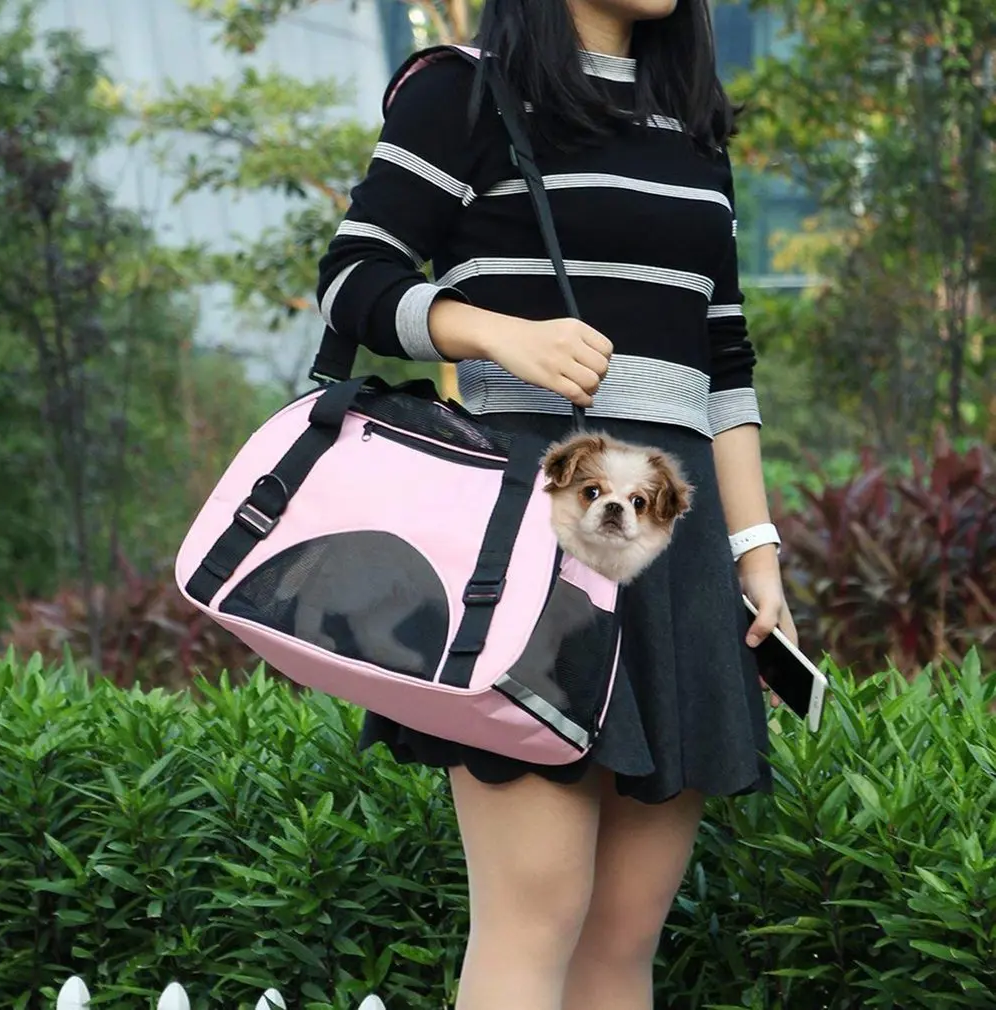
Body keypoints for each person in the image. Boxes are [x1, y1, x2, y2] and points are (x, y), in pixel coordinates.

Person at [316, 1, 798, 1008]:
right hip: (532, 537)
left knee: (622, 938)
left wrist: (755, 553)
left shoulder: (691, 126)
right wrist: (496, 333)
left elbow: (723, 361)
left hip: (674, 547)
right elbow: (352, 280)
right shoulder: (461, 90)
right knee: (533, 917)